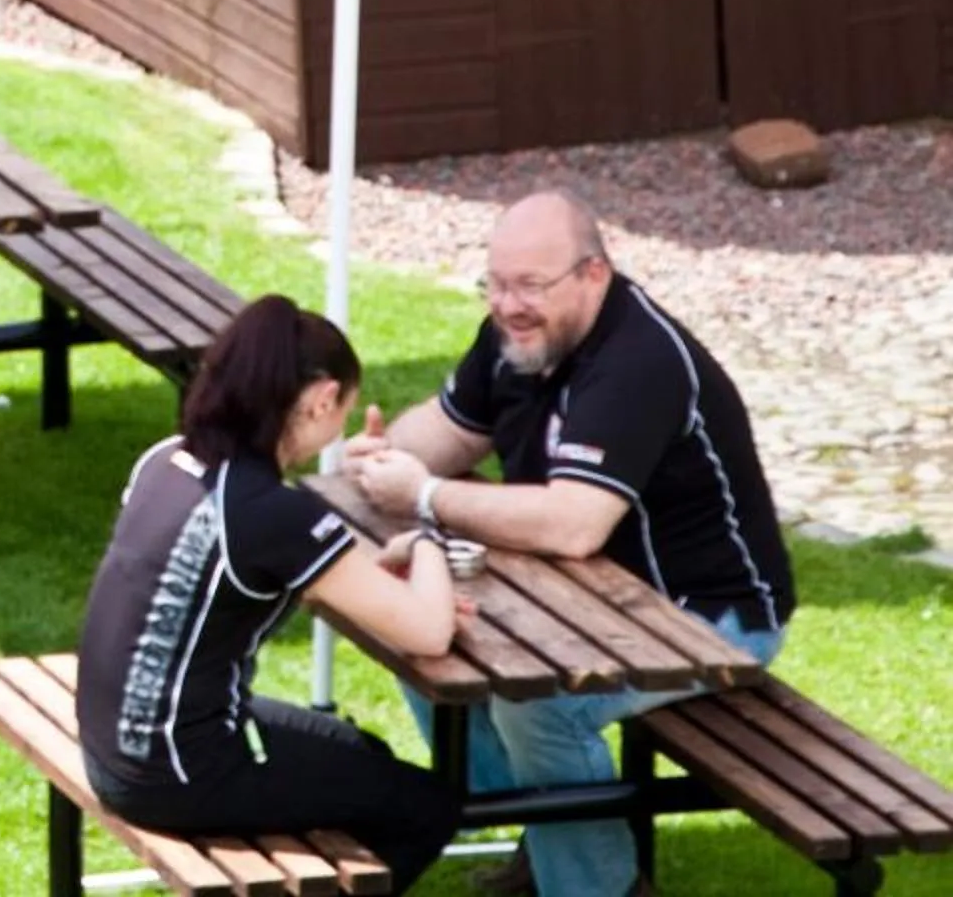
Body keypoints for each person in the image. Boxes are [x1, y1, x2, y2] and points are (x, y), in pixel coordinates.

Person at [347, 191, 794, 897]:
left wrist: (424, 495)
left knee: (541, 704)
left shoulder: (638, 362)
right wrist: (380, 456)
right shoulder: (518, 335)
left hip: (710, 617)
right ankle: (546, 827)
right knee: (420, 630)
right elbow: (449, 430)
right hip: (596, 596)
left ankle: (597, 886)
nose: (508, 305)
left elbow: (573, 524)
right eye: (495, 283)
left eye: (530, 285)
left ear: (594, 274)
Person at [76, 295, 465, 889]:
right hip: (181, 770)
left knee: (362, 753)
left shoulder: (168, 460)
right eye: (345, 409)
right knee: (427, 806)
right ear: (321, 400)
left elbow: (241, 579)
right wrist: (428, 537)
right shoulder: (268, 512)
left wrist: (375, 571)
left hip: (118, 741)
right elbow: (430, 633)